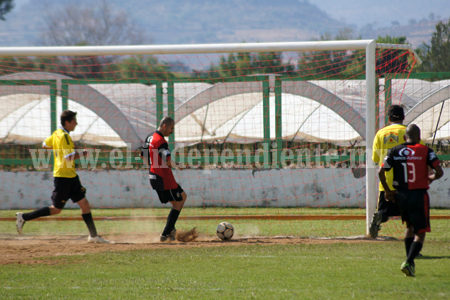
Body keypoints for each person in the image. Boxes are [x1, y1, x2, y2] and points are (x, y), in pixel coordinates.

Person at [15, 110, 111, 244]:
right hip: (63, 177)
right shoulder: (65, 136)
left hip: (70, 176)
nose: (76, 124)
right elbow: (69, 157)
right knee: (56, 210)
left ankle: (93, 236)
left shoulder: (56, 133)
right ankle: (24, 217)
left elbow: (45, 144)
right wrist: (83, 153)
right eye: (74, 121)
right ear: (67, 122)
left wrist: (58, 151)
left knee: (84, 204)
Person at [379, 124, 443, 277]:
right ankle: (408, 261)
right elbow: (439, 172)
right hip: (419, 196)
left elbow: (381, 172)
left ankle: (410, 264)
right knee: (420, 233)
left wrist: (388, 191)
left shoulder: (394, 151)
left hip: (401, 196)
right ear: (419, 137)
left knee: (409, 226)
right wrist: (430, 178)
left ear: (403, 137)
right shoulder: (426, 151)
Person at [370, 105, 423, 238]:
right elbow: (420, 153)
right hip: (407, 181)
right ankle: (413, 246)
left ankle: (380, 216)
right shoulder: (410, 132)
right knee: (412, 214)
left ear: (388, 118)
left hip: (386, 181)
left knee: (385, 211)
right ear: (404, 117)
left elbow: (375, 159)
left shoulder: (380, 133)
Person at [141, 117, 187, 242]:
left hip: (155, 176)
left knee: (181, 197)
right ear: (165, 126)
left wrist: (152, 168)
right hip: (163, 178)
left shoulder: (150, 137)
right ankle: (166, 233)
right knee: (179, 201)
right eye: (171, 128)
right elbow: (168, 161)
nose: (172, 131)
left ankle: (170, 228)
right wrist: (178, 165)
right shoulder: (161, 141)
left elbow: (143, 155)